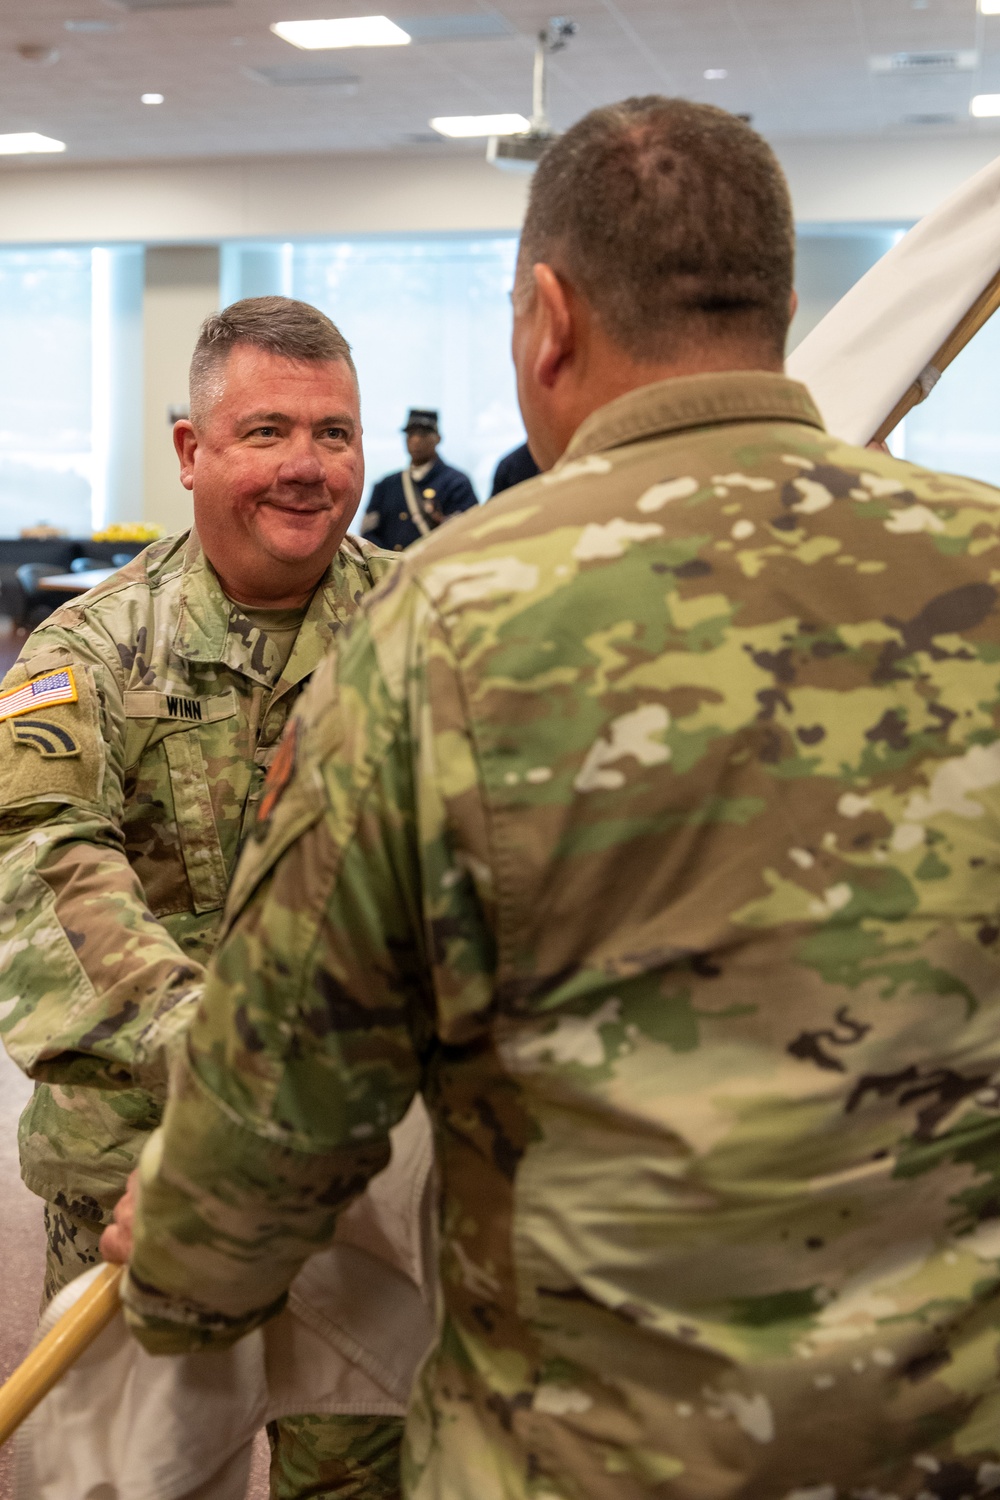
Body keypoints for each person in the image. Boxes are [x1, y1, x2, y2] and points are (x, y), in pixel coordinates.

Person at [106, 96, 1000, 1497]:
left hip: (591, 1453)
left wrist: (177, 1281)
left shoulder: (444, 625)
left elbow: (285, 1100)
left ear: (548, 317)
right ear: (781, 304)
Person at [0, 295, 422, 1500]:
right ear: (191, 451)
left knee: (357, 1481)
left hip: (362, 1186)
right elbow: (41, 866)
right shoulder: (88, 652)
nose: (306, 467)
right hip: (143, 1182)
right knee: (135, 1485)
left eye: (334, 434)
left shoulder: (432, 633)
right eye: (267, 432)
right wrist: (231, 1078)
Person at [359, 408, 476, 550]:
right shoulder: (386, 485)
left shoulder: (457, 484)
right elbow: (368, 532)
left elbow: (467, 533)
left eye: (423, 434)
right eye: (410, 434)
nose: (415, 440)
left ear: (438, 438)